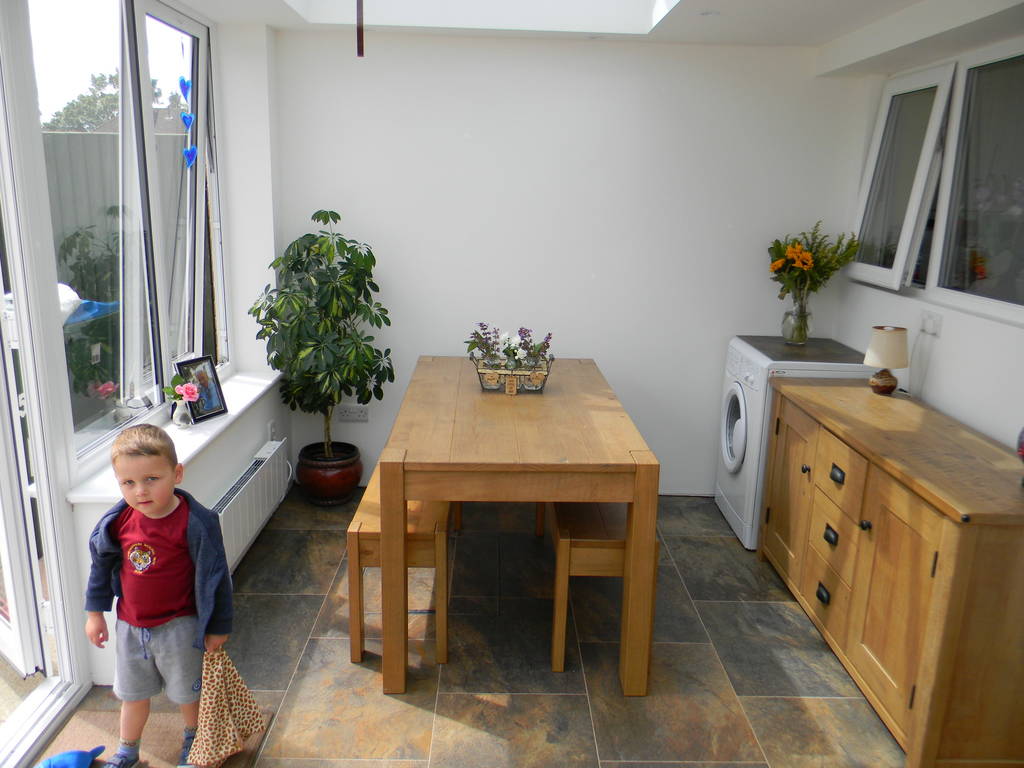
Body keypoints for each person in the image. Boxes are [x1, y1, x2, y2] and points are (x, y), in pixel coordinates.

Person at [85, 424, 232, 768]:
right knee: (132, 695)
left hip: (180, 626)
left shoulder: (195, 522)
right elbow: (100, 567)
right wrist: (94, 613)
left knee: (188, 693)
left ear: (176, 473)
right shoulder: (117, 521)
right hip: (130, 627)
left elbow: (217, 576)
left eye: (152, 479)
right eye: (129, 483)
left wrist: (218, 625)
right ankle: (127, 751)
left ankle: (195, 742)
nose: (140, 491)